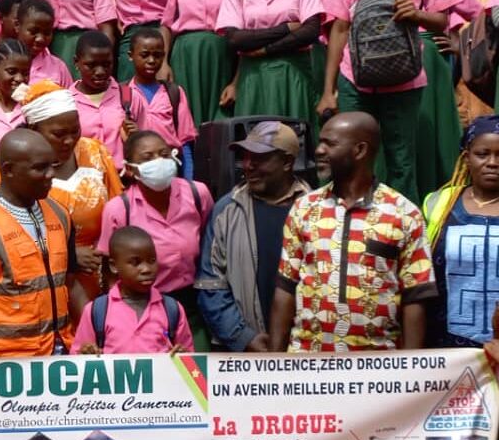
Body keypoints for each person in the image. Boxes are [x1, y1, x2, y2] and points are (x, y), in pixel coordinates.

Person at [318, 0, 461, 205]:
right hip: (355, 77)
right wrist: (329, 90)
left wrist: (417, 14)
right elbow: (339, 27)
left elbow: (442, 20)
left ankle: (400, 235)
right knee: (347, 156)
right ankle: (347, 226)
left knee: (401, 160)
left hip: (405, 78)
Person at [270, 112, 437, 352]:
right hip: (306, 363)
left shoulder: (403, 213)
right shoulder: (304, 208)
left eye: (330, 143)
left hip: (377, 367)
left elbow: (415, 296)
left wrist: (408, 369)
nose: (319, 150)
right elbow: (285, 287)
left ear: (359, 150)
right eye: (320, 142)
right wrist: (273, 364)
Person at [0, 80, 122, 299]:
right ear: (34, 130)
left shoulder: (95, 153)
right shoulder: (4, 169)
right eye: (59, 134)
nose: (69, 140)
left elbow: (117, 212)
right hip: (37, 286)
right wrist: (68, 254)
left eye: (75, 130)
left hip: (97, 282)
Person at [0, 128, 89, 357]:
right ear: (9, 170)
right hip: (8, 362)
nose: (50, 174)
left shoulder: (60, 214)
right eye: (39, 168)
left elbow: (71, 285)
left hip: (62, 353)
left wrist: (89, 339)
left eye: (52, 165)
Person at [195, 121, 310, 352]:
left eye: (259, 159)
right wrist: (243, 337)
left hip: (304, 351)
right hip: (244, 356)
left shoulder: (315, 210)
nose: (248, 166)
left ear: (287, 162)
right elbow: (210, 284)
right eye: (245, 157)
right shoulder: (226, 210)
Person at [97, 130, 214, 350]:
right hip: (143, 304)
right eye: (148, 157)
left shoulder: (198, 194)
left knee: (194, 374)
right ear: (131, 169)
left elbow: (211, 243)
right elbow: (109, 270)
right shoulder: (119, 209)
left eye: (163, 154)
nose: (159, 162)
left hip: (194, 305)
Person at [216, 0, 323, 129]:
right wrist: (286, 28)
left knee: (294, 140)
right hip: (252, 79)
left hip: (292, 74)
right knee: (254, 142)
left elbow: (310, 30)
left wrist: (265, 49)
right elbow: (235, 39)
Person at [404, 0, 473, 198]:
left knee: (437, 129)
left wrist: (462, 46)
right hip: (398, 62)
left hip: (435, 59)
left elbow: (480, 14)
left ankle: (443, 193)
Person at [161, 0, 247, 125]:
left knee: (220, 122)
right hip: (185, 60)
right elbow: (166, 24)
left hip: (223, 59)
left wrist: (237, 81)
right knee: (185, 118)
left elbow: (249, 31)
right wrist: (163, 63)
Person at [423, 116, 499, 348]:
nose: (492, 162)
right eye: (482, 154)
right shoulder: (439, 203)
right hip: (445, 349)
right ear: (466, 158)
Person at [71, 226, 194, 354]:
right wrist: (87, 354)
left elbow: (191, 366)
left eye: (152, 261)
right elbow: (78, 359)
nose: (146, 269)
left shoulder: (172, 309)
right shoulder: (97, 311)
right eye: (136, 263)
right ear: (114, 266)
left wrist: (183, 355)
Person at [121, 27, 199, 178]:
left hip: (170, 168)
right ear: (131, 56)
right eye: (144, 55)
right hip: (138, 171)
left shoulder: (174, 93)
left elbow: (185, 142)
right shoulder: (123, 93)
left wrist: (189, 180)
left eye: (157, 56)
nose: (151, 60)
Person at [67, 30, 129, 168]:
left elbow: (143, 140)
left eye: (106, 65)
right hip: (84, 182)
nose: (100, 72)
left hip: (123, 181)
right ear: (76, 62)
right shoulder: (66, 102)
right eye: (91, 65)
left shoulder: (127, 95)